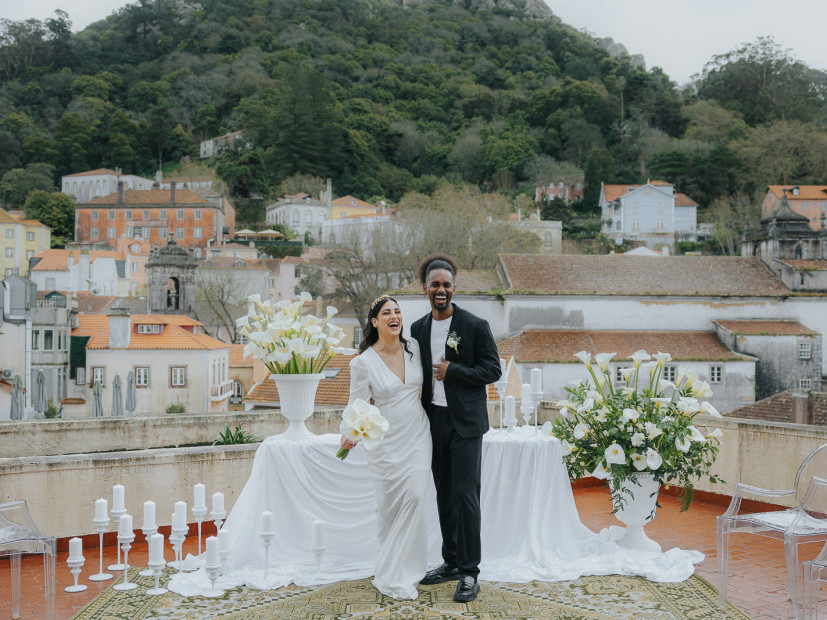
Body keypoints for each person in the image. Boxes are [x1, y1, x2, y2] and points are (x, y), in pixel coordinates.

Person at [410, 254, 502, 603]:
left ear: (454, 287)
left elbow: (492, 371)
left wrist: (454, 372)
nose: (441, 289)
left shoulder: (475, 325)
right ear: (425, 289)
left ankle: (469, 572)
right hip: (433, 422)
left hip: (466, 424)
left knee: (466, 497)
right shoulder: (418, 329)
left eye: (446, 284)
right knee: (444, 495)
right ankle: (450, 562)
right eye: (435, 284)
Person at [340, 295, 432, 600]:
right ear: (375, 321)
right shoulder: (362, 362)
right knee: (391, 509)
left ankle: (404, 573)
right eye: (386, 313)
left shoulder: (415, 348)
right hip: (384, 445)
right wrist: (349, 433)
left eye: (397, 311)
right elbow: (356, 403)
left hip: (418, 434)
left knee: (416, 496)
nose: (394, 316)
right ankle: (391, 566)